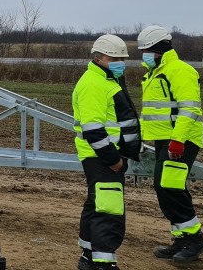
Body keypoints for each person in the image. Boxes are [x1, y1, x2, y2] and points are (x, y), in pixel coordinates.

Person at [137, 25, 203, 263]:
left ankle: (195, 239)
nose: (143, 54)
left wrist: (177, 140)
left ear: (158, 49)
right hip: (164, 140)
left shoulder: (179, 71)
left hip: (181, 141)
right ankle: (182, 239)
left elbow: (189, 108)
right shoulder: (155, 72)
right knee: (166, 188)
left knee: (169, 187)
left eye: (146, 50)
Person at [72, 34, 141, 270]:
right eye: (114, 57)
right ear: (98, 58)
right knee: (108, 210)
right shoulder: (94, 83)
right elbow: (93, 129)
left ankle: (89, 257)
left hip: (104, 157)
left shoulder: (108, 79)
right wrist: (113, 160)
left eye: (122, 58)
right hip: (103, 158)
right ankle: (103, 263)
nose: (120, 61)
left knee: (97, 204)